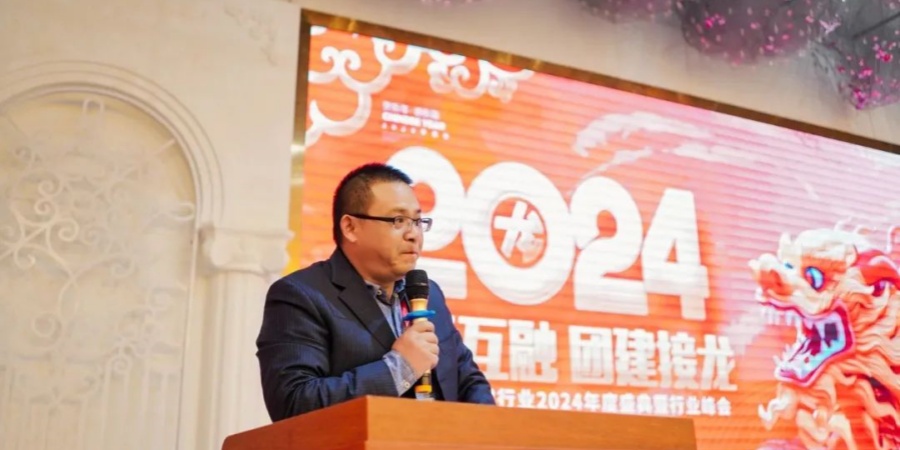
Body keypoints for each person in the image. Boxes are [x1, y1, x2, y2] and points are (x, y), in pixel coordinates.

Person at [256, 162, 495, 421]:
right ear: (350, 227)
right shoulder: (301, 295)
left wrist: (485, 431)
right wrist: (401, 367)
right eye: (398, 220)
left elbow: (467, 379)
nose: (414, 234)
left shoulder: (428, 293)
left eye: (418, 221)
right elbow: (293, 402)